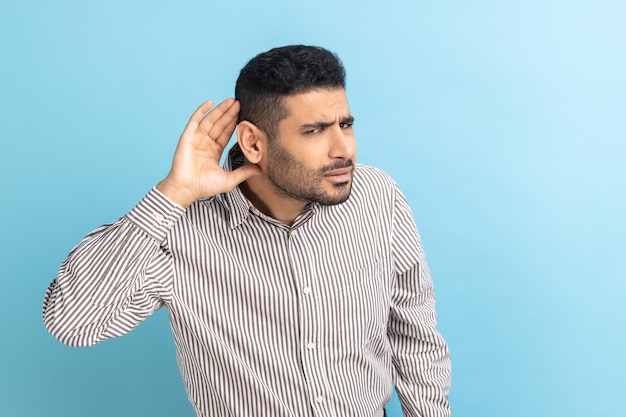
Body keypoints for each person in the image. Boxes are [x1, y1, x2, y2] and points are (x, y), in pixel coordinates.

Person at [43, 45, 451, 417]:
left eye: (345, 124)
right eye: (315, 130)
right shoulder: (180, 233)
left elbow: (413, 333)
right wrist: (175, 192)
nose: (343, 148)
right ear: (253, 143)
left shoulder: (376, 196)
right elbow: (73, 323)